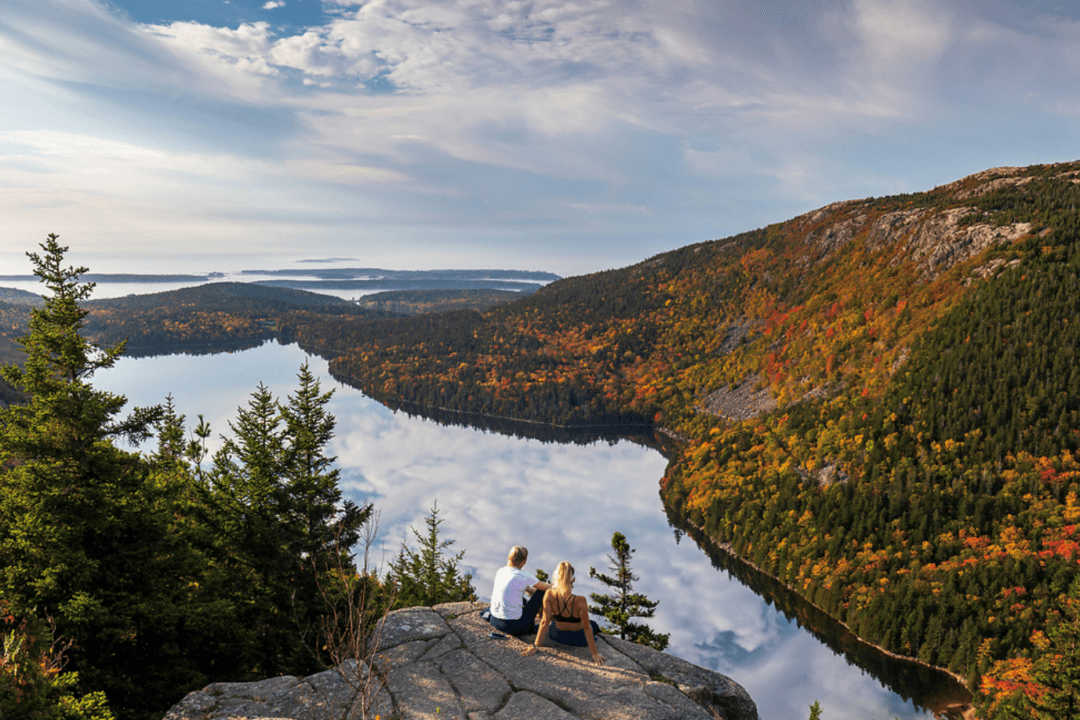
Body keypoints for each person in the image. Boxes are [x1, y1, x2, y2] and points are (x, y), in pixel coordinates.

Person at [522, 561, 605, 664]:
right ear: (573, 580)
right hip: (579, 639)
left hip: (557, 635)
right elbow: (586, 627)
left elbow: (544, 622)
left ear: (556, 578)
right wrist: (594, 654)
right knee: (593, 624)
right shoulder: (580, 600)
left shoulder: (549, 595)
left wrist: (535, 646)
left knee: (553, 624)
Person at [487, 545, 551, 636]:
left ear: (509, 558)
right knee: (541, 592)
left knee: (515, 596)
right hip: (513, 626)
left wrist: (529, 590)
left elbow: (516, 587)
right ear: (524, 562)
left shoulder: (500, 571)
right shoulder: (524, 575)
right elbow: (548, 587)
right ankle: (532, 626)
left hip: (494, 620)